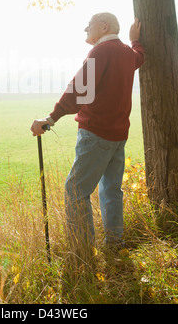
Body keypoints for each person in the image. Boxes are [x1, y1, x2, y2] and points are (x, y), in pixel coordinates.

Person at [30, 13, 144, 252]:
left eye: (89, 25)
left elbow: (78, 89)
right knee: (111, 189)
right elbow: (139, 57)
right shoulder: (126, 53)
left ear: (104, 27)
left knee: (75, 190)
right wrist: (135, 40)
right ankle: (115, 245)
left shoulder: (100, 52)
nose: (85, 29)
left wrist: (51, 118)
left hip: (96, 135)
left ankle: (82, 252)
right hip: (118, 136)